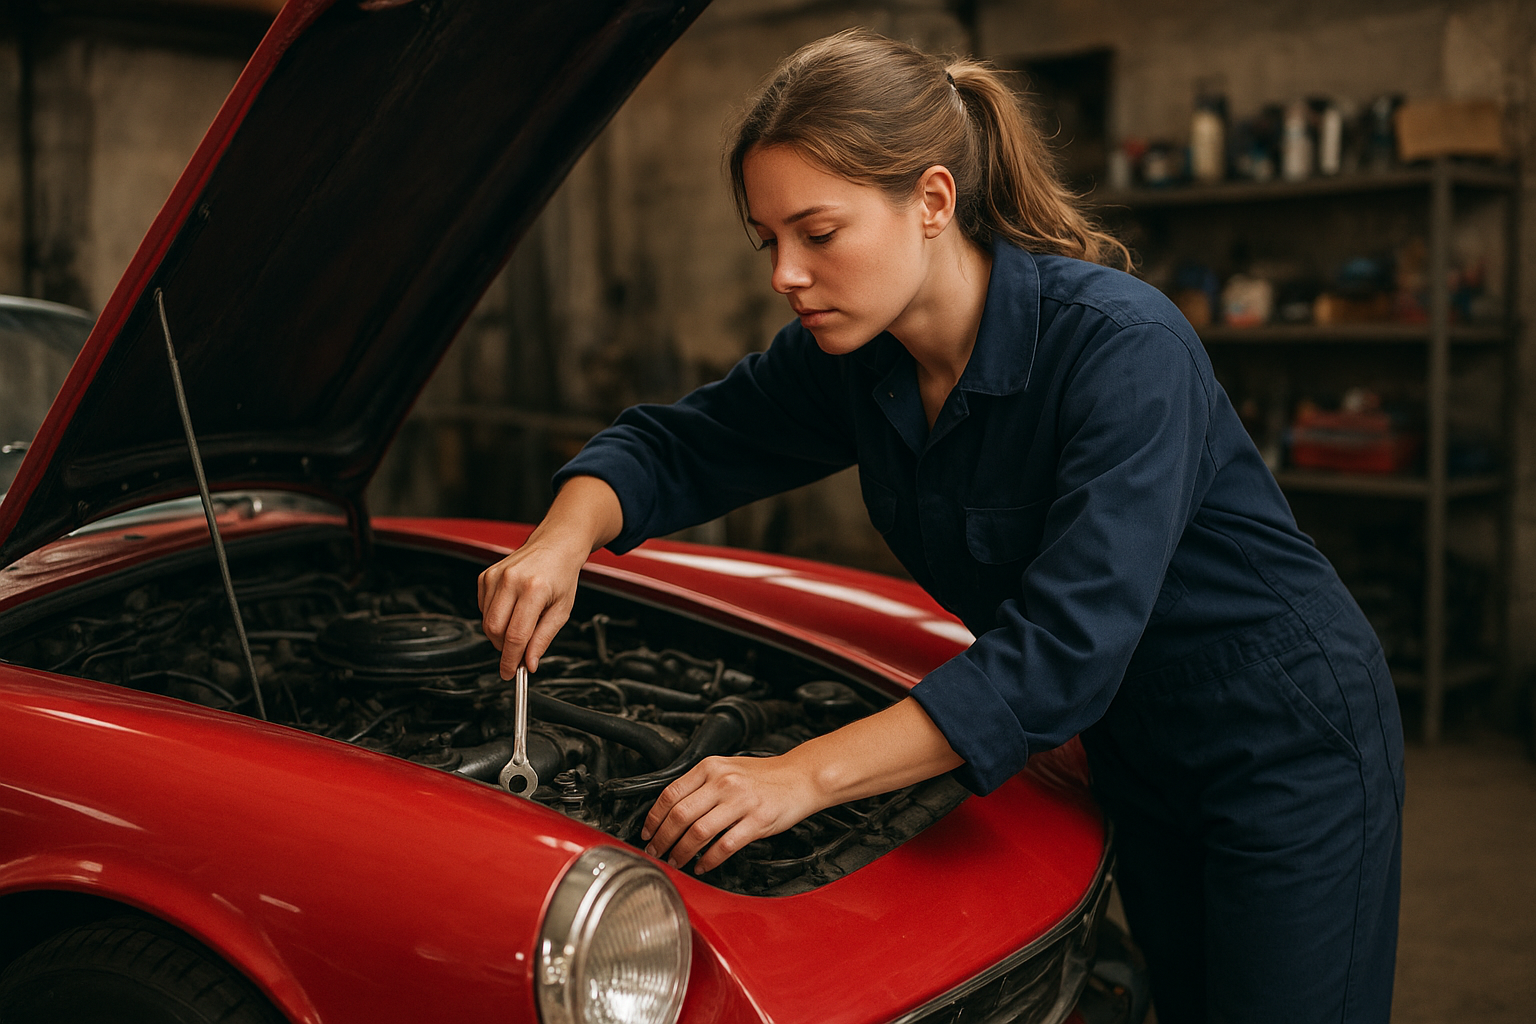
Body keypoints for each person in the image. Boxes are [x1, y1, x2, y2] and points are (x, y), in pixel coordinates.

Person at [478, 28, 1404, 1024]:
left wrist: (799, 776)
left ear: (931, 201)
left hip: (1283, 738)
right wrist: (561, 536)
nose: (785, 273)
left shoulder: (1121, 350)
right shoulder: (851, 360)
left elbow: (1060, 652)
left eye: (817, 232)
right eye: (768, 240)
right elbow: (678, 445)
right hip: (1128, 747)